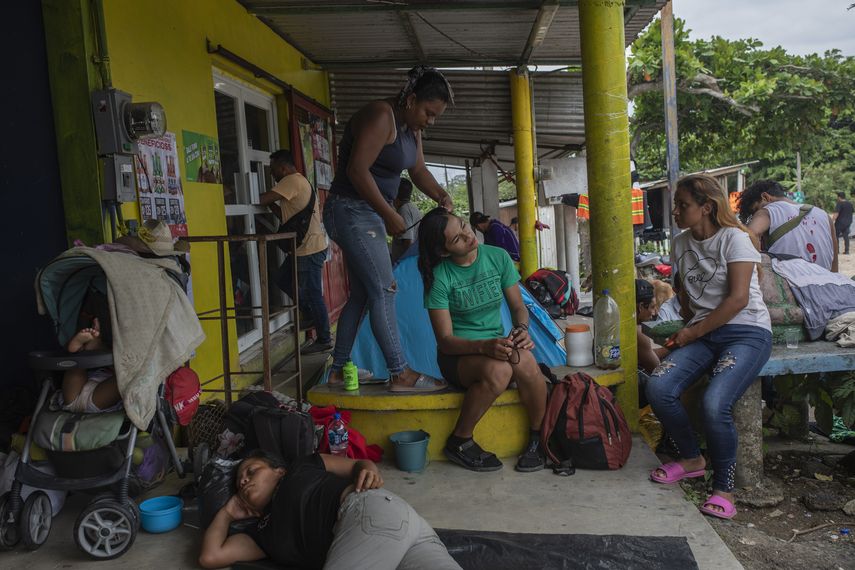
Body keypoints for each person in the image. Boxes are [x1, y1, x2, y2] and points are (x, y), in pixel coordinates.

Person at [646, 174, 772, 521]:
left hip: (747, 332)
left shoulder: (736, 240)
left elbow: (737, 300)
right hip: (703, 333)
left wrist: (690, 333)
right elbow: (687, 296)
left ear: (706, 207)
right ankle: (691, 459)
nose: (675, 211)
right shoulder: (681, 243)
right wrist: (684, 326)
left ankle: (724, 489)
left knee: (715, 402)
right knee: (659, 386)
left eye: (682, 205)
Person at [323, 65, 454, 392]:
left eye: (436, 116)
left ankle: (338, 369)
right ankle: (400, 373)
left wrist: (440, 194)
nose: (431, 120)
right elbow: (357, 170)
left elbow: (418, 169)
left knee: (365, 293)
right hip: (350, 210)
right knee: (385, 288)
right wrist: (390, 215)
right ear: (410, 99)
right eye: (429, 112)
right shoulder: (382, 116)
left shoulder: (412, 130)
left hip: (368, 214)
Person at [417, 208, 546, 473]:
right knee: (500, 370)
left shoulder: (497, 257)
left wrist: (521, 329)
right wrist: (483, 346)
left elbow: (519, 308)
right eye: (457, 239)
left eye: (464, 226)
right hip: (459, 356)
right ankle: (460, 439)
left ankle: (537, 440)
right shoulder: (441, 276)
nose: (468, 235)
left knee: (527, 363)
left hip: (497, 345)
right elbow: (445, 341)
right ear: (444, 251)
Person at [199, 450, 461, 570]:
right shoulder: (262, 534)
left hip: (366, 510)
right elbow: (211, 557)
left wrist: (369, 469)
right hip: (400, 532)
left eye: (251, 471)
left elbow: (359, 464)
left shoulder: (302, 467)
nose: (243, 480)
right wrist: (227, 512)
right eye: (239, 483)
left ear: (279, 471)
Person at [259, 150, 332, 355]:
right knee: (283, 279)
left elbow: (263, 199)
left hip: (308, 248)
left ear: (283, 168)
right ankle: (309, 314)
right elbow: (285, 213)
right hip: (306, 247)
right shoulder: (299, 182)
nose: (272, 175)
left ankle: (324, 338)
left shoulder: (291, 180)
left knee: (313, 293)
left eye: (273, 170)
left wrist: (250, 193)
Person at [738, 179, 837, 271]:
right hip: (824, 283)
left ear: (765, 197)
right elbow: (834, 262)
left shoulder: (767, 210)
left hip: (791, 284)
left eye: (755, 210)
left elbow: (748, 236)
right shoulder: (824, 215)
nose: (756, 215)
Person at [61, 315, 121, 413]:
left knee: (76, 366)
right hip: (99, 401)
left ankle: (78, 352)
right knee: (126, 375)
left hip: (71, 397)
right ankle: (92, 347)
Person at [389, 178, 423, 263]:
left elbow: (408, 241)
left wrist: (403, 263)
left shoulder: (403, 210)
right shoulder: (413, 208)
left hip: (404, 263)